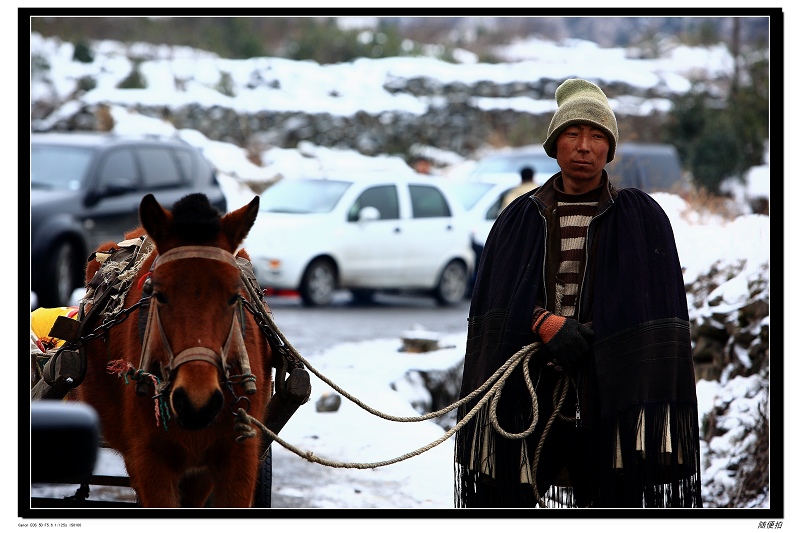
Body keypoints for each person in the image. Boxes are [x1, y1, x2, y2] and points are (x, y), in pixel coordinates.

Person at [454, 78, 701, 508]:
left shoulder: (641, 218)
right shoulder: (518, 218)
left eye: (597, 136)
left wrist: (592, 336)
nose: (584, 146)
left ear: (609, 149)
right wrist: (543, 323)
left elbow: (653, 309)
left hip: (612, 397)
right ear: (554, 145)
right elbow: (495, 303)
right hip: (529, 397)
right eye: (573, 133)